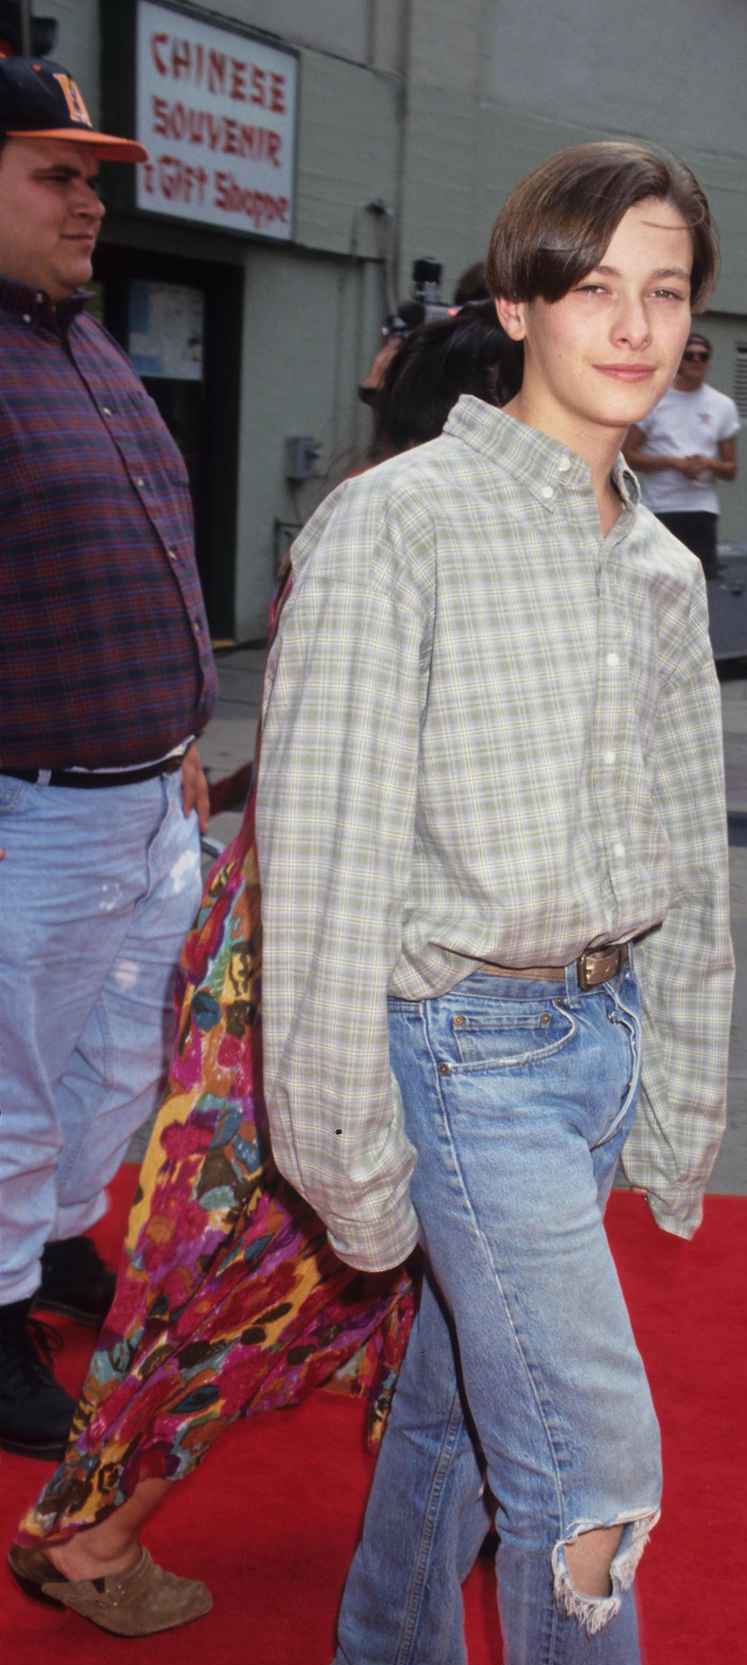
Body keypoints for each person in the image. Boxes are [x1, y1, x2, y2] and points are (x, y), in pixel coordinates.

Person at [255, 142, 735, 1665]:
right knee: (592, 1456)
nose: (635, 325)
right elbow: (318, 867)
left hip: (596, 1040)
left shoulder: (662, 567)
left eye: (666, 291)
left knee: (470, 1396)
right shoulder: (400, 524)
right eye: (595, 286)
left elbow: (689, 855)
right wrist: (343, 1154)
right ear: (520, 304)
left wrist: (678, 1082)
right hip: (463, 1052)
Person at [8, 305, 522, 1640]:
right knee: (266, 1260)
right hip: (335, 963)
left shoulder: (392, 521)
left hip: (333, 945)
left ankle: (452, 1499)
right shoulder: (407, 538)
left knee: (395, 1262)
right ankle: (92, 1532)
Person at [0, 56, 216, 1459]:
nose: (88, 203)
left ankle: (52, 1243)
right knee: (10, 1086)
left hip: (148, 799)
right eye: (54, 175)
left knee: (119, 1063)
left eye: (94, 179)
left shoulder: (79, 343)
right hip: (33, 810)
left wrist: (180, 740)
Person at [623, 329, 739, 578]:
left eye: (703, 356)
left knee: (699, 584)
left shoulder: (723, 406)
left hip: (702, 509)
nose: (696, 360)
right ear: (678, 359)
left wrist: (707, 463)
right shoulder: (654, 399)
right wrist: (674, 463)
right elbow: (628, 455)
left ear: (709, 362)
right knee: (657, 582)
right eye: (689, 355)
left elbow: (731, 469)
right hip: (659, 508)